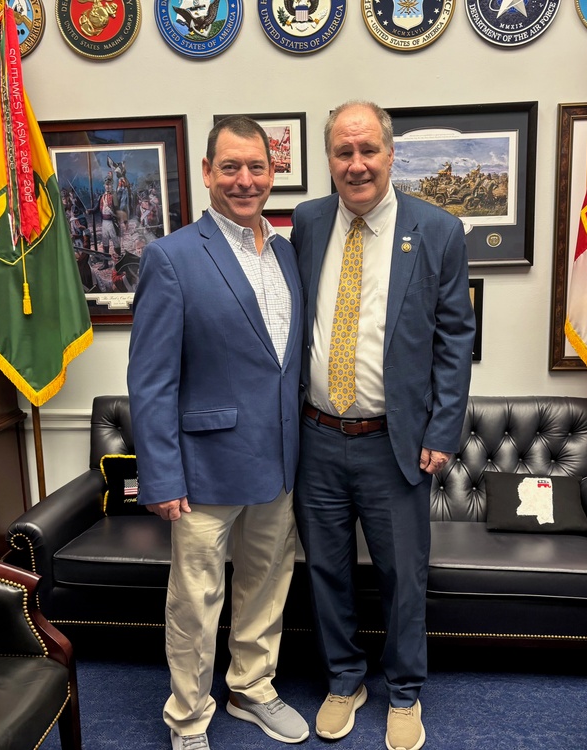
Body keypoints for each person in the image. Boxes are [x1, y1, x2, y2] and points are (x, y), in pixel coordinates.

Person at [291, 101, 475, 750]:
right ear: (330, 160)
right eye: (344, 152)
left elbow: (456, 339)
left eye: (368, 149)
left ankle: (404, 691)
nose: (357, 164)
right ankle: (344, 680)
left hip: (393, 444)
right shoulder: (308, 223)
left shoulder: (438, 231)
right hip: (314, 437)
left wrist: (442, 431)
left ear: (391, 154)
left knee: (404, 576)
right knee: (326, 571)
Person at [128, 116, 308, 750]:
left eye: (256, 167)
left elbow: (285, 363)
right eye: (229, 167)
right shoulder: (171, 257)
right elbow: (149, 380)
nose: (244, 179)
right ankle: (188, 717)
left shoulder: (289, 252)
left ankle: (251, 689)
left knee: (266, 586)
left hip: (279, 462)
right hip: (203, 467)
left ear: (272, 172)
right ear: (207, 173)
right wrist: (161, 475)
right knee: (195, 604)